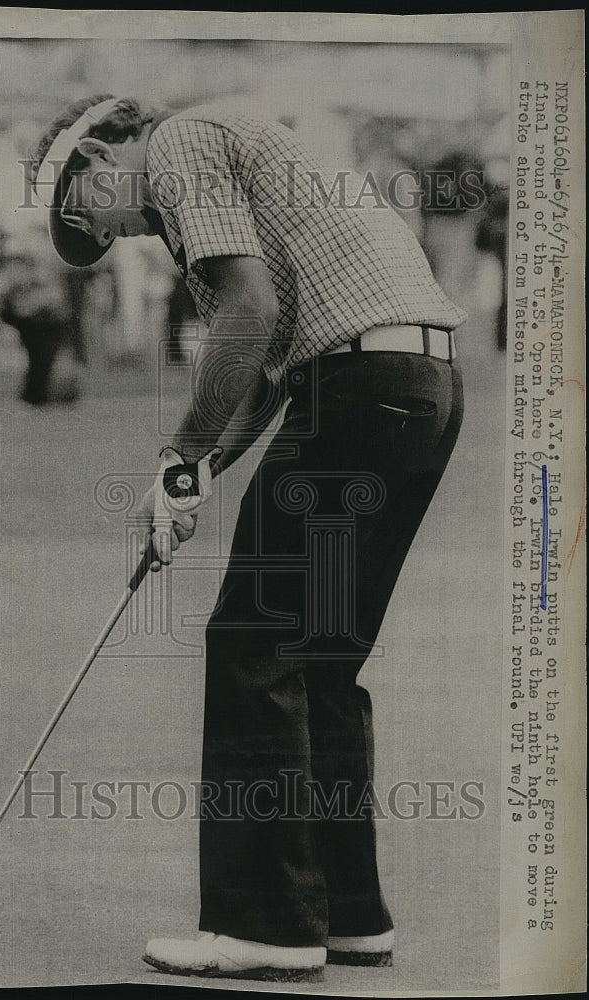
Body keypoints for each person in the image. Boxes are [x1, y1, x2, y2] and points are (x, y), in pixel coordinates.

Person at [28, 95, 467, 983]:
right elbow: (267, 372)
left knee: (252, 642)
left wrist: (182, 454)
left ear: (103, 151)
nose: (112, 230)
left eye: (88, 210)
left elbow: (249, 309)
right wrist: (189, 479)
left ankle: (264, 924)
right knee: (320, 656)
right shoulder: (227, 165)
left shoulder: (183, 141)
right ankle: (348, 915)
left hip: (359, 386)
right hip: (413, 387)